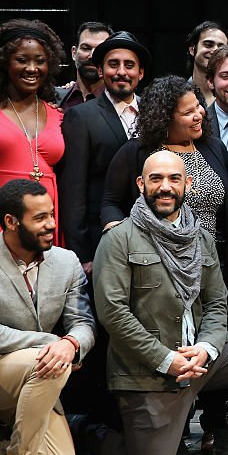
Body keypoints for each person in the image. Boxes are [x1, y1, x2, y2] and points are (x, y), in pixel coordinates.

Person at [80, 151, 228, 455]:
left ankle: (227, 449)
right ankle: (80, 431)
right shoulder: (118, 239)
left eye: (174, 179)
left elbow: (217, 303)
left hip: (198, 359)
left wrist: (207, 346)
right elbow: (113, 314)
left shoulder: (200, 238)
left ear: (187, 184)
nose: (165, 187)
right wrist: (166, 359)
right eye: (156, 179)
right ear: (140, 184)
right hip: (148, 370)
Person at [0, 179, 95, 455]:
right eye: (40, 218)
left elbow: (84, 324)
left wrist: (72, 344)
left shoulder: (66, 262)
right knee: (52, 361)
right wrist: (52, 342)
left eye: (52, 215)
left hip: (36, 380)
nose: (51, 225)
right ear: (11, 222)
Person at [101, 76, 228, 287]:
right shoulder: (136, 153)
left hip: (212, 263)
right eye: (188, 112)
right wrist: (120, 241)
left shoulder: (214, 147)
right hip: (156, 266)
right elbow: (111, 203)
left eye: (198, 106)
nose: (198, 115)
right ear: (164, 119)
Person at [59, 30, 149, 276]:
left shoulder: (154, 112)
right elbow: (73, 190)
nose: (121, 72)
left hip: (152, 240)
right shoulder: (81, 117)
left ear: (140, 73)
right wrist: (82, 255)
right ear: (100, 71)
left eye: (129, 65)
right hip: (100, 238)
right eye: (113, 64)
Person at [0, 20, 67, 243]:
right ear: (4, 63)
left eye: (40, 61)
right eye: (22, 60)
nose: (32, 68)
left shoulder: (57, 114)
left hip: (44, 221)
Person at [55, 22, 113, 109]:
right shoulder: (54, 99)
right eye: (86, 48)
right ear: (74, 53)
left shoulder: (120, 103)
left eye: (100, 50)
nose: (92, 56)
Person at [185, 21, 228, 107]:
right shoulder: (176, 97)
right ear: (192, 49)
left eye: (221, 47)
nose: (215, 51)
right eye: (208, 45)